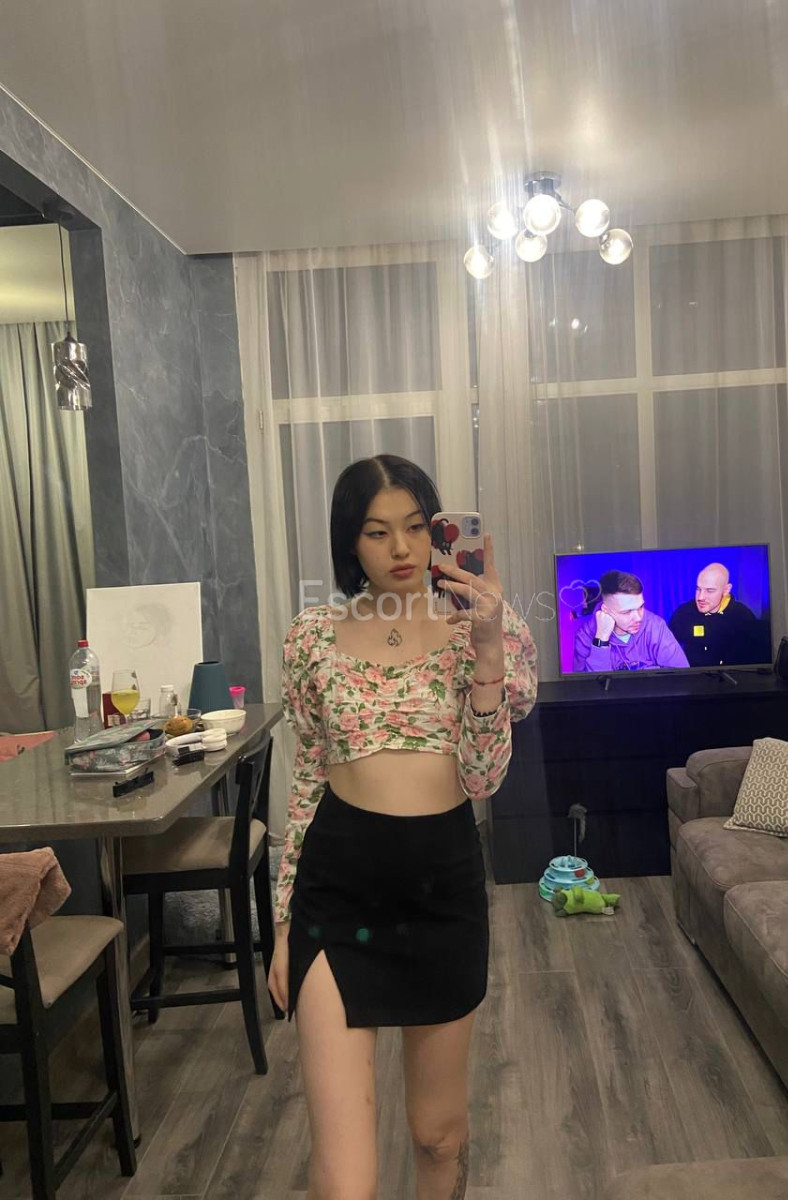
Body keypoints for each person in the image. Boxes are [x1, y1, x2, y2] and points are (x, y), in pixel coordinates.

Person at [268, 454, 537, 1200]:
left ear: (438, 530)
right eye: (377, 532)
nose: (401, 549)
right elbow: (307, 777)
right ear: (349, 543)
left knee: (437, 1136)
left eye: (417, 527)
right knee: (345, 1181)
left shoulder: (486, 628)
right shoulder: (312, 636)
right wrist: (284, 922)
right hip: (336, 890)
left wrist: (486, 646)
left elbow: (483, 778)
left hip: (441, 891)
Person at [572, 569, 689, 672]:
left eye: (640, 607)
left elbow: (681, 675)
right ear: (606, 610)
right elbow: (588, 686)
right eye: (627, 612)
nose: (638, 618)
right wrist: (601, 639)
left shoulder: (655, 626)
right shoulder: (585, 635)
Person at [668, 562, 763, 667]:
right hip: (693, 676)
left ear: (726, 590)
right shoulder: (684, 613)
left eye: (709, 591)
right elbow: (667, 653)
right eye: (698, 589)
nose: (700, 597)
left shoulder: (743, 616)